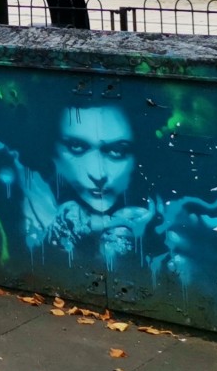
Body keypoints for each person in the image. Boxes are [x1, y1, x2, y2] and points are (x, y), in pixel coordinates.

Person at [23, 102, 156, 268]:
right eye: (76, 146)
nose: (98, 174)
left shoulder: (167, 222)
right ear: (52, 152)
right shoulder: (32, 201)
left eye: (117, 151)